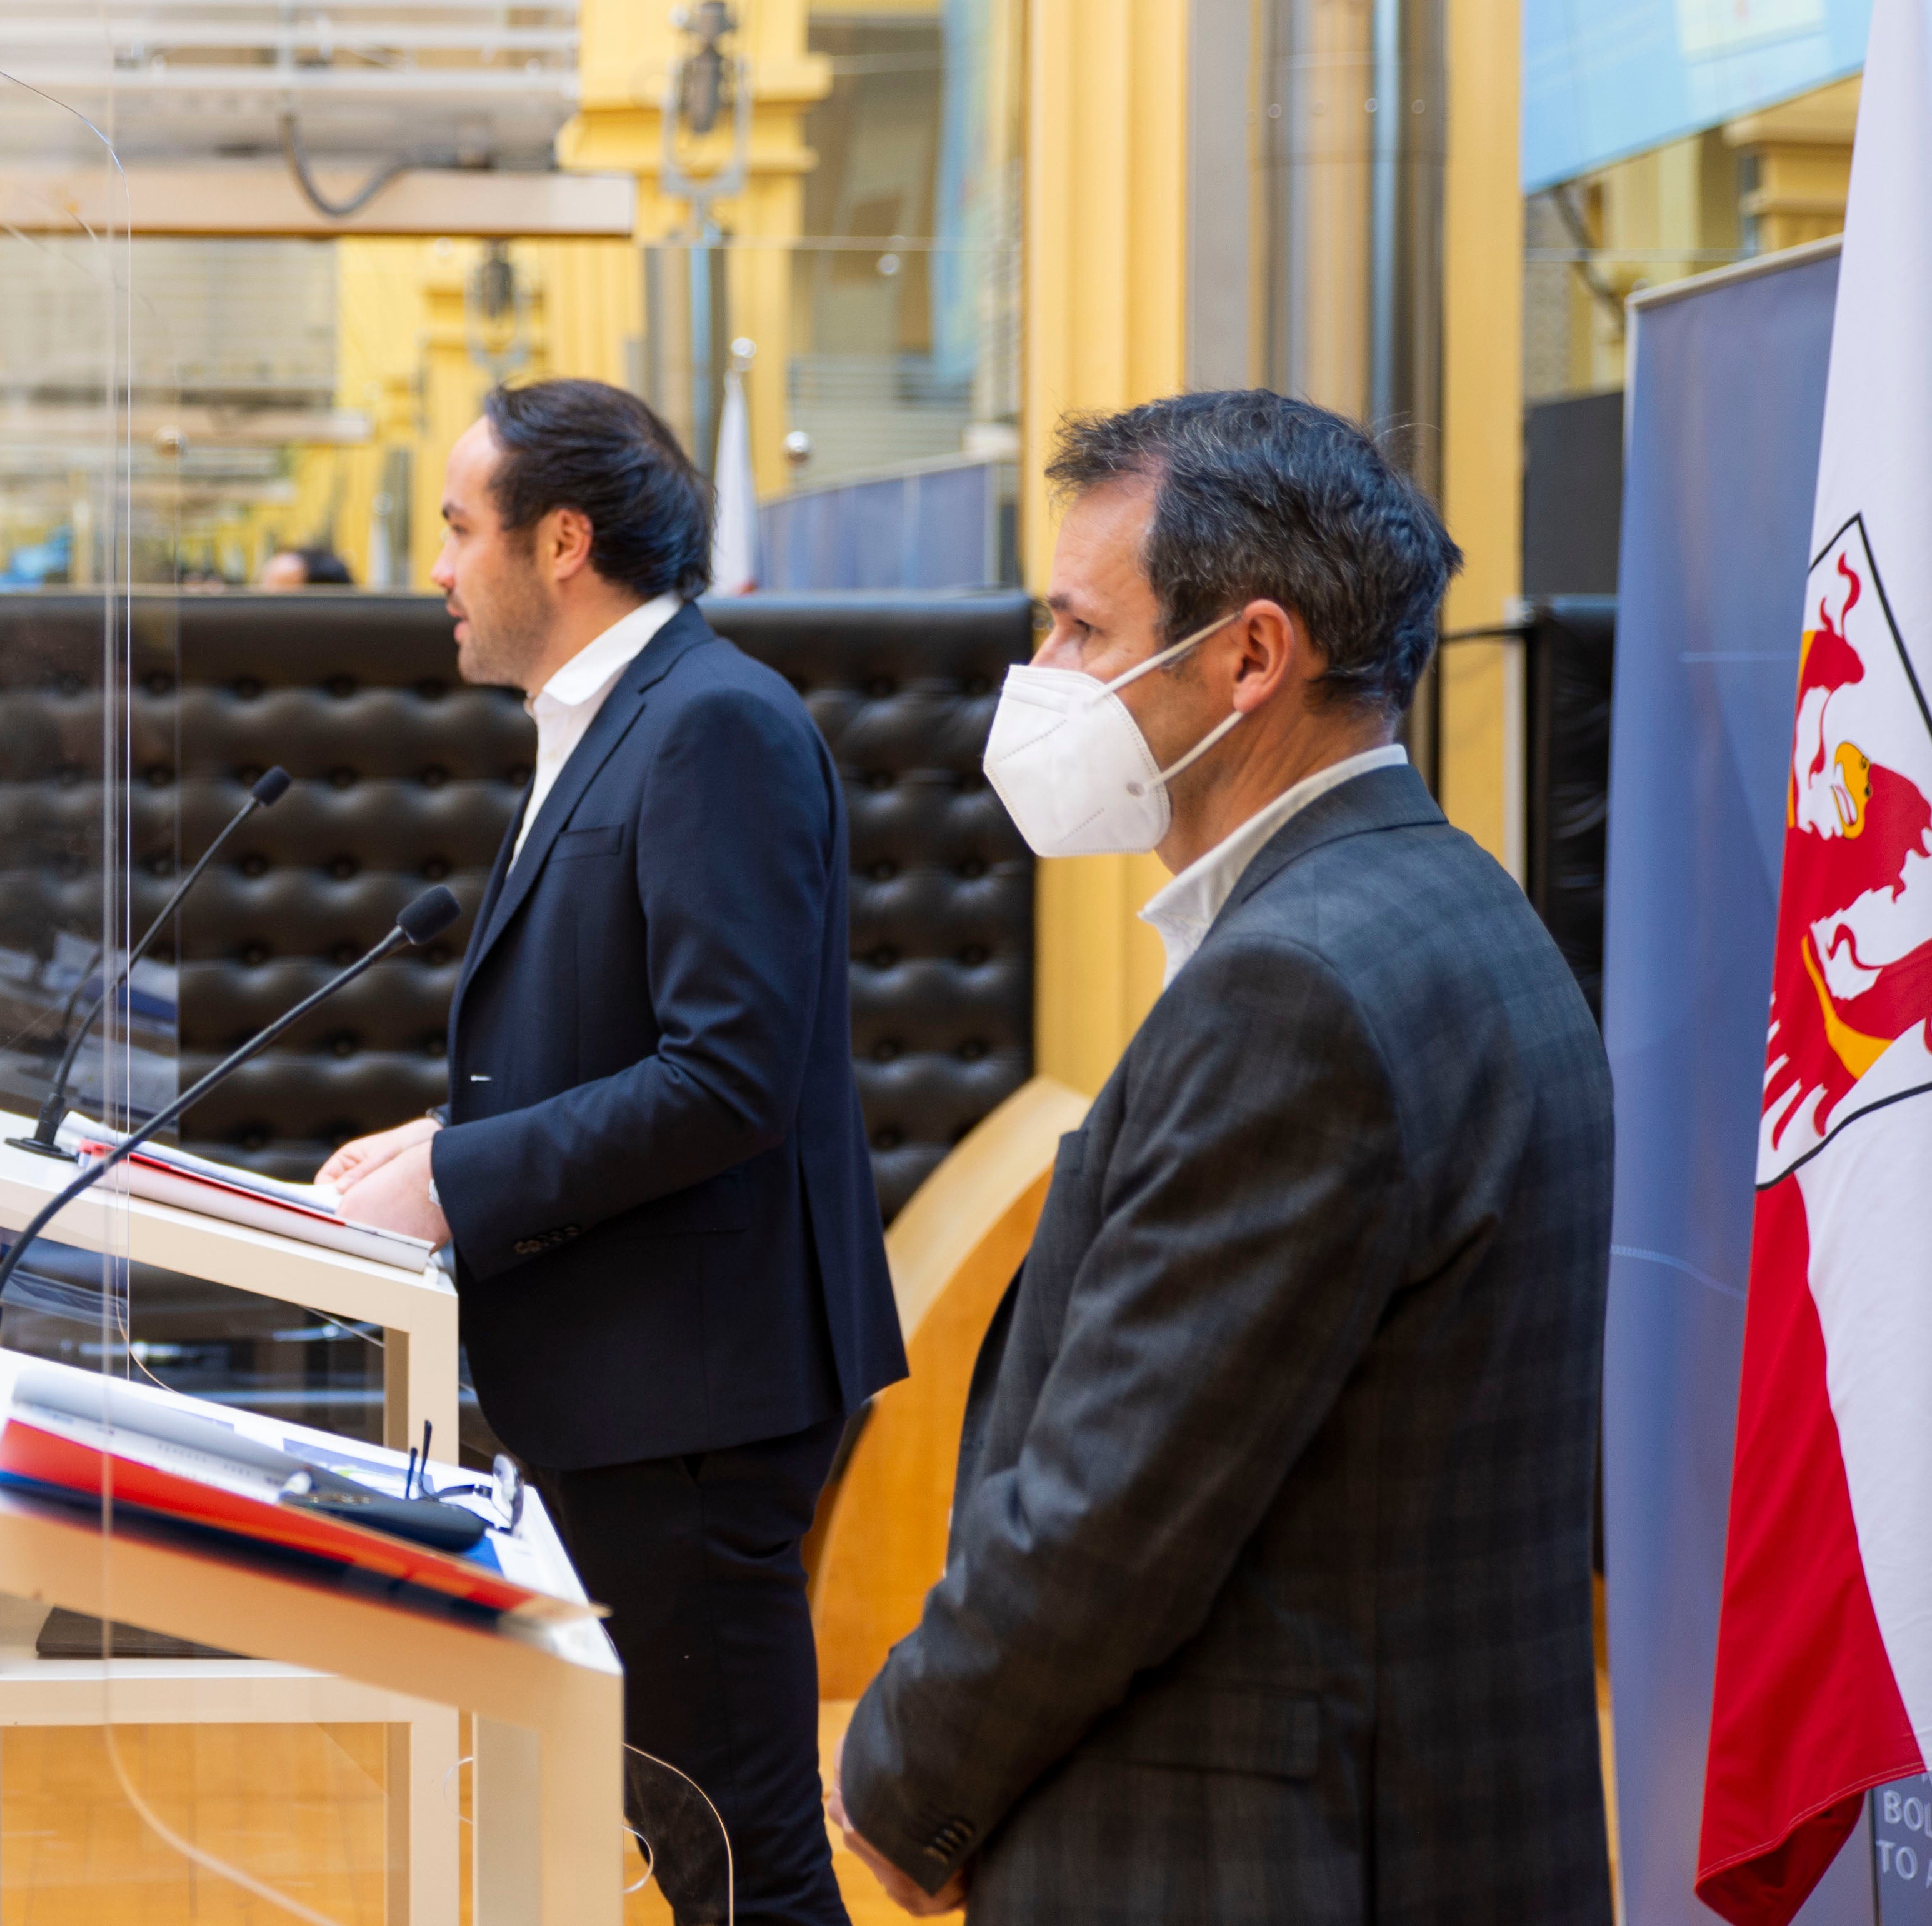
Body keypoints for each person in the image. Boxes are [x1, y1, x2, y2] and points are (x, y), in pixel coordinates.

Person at [828, 390, 1614, 1923]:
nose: (1042, 681)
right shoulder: (1457, 909)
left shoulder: (1295, 991)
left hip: (1253, 1853)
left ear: (1252, 656)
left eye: (1078, 630)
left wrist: (903, 1772)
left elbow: (1113, 1511)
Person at [327, 378, 907, 1926]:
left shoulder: (712, 724)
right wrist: (456, 1132)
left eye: (459, 529)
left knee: (741, 1858)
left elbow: (727, 1075)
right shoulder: (610, 720)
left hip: (691, 1394)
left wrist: (461, 1181)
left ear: (562, 539)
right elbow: (629, 1028)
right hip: (628, 1378)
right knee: (686, 1828)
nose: (438, 567)